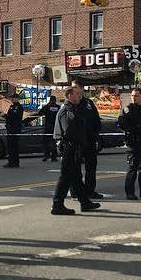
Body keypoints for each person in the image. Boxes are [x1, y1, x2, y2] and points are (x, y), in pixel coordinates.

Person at [52, 86, 100, 215]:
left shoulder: (74, 109)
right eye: (77, 94)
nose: (80, 96)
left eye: (80, 94)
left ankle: (85, 202)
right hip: (69, 147)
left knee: (76, 177)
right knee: (66, 177)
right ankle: (57, 204)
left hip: (75, 148)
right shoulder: (66, 110)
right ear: (69, 96)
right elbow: (68, 132)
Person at [75, 84, 103, 199]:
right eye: (72, 88)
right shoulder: (71, 104)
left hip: (90, 140)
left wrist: (96, 134)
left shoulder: (88, 103)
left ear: (81, 89)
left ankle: (90, 191)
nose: (75, 90)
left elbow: (96, 118)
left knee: (91, 167)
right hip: (77, 141)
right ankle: (77, 192)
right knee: (75, 168)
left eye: (76, 87)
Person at [36, 95, 60, 161]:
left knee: (46, 142)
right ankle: (54, 157)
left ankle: (46, 155)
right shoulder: (58, 107)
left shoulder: (47, 107)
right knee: (54, 142)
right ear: (55, 100)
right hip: (55, 127)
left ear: (50, 100)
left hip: (48, 127)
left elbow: (40, 113)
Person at [3, 96, 23, 167]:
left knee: (14, 146)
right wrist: (6, 116)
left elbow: (15, 116)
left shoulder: (19, 107)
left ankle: (15, 162)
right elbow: (9, 115)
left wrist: (8, 116)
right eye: (12, 98)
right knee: (10, 146)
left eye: (14, 98)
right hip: (10, 128)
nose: (12, 99)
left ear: (17, 99)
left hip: (15, 128)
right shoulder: (11, 107)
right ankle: (11, 161)